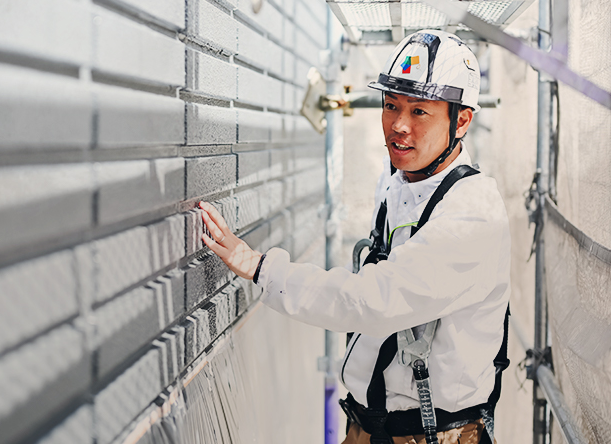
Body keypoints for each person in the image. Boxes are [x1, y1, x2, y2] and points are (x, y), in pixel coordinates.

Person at [199, 30, 510, 444]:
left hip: (433, 436)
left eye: (420, 112)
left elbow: (373, 299)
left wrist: (261, 269)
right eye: (390, 105)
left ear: (463, 120)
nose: (398, 126)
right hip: (368, 426)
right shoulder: (404, 182)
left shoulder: (474, 212)